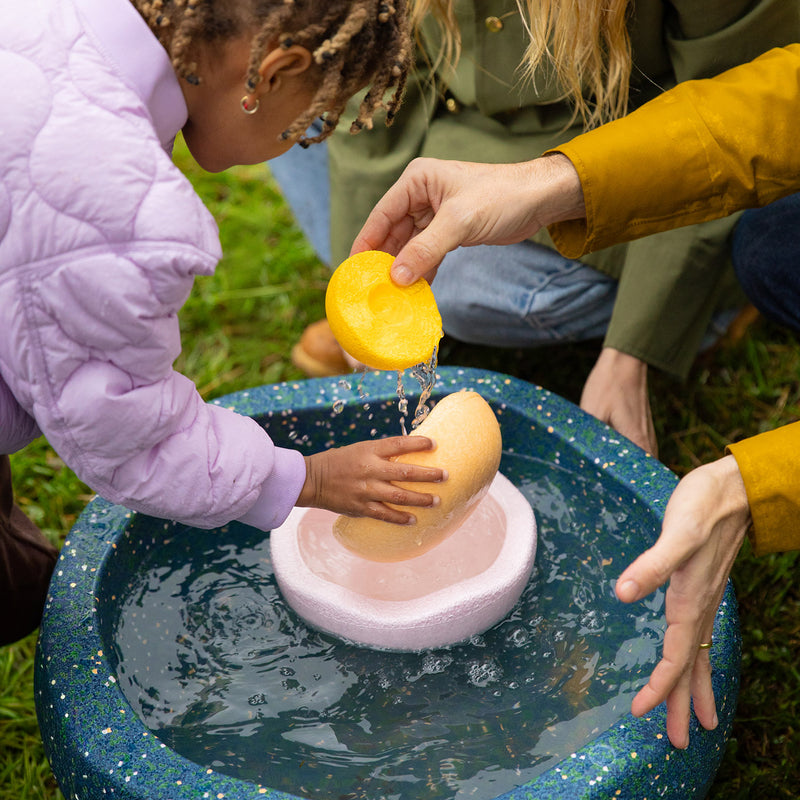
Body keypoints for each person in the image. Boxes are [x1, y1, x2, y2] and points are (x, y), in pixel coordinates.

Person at [351, 42, 800, 750]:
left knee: (760, 249)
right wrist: (554, 184)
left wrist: (751, 486)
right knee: (776, 246)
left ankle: (709, 304)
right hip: (507, 139)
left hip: (573, 140)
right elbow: (778, 98)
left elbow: (720, 61)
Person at [0, 0, 454, 647]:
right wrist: (311, 478)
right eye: (314, 116)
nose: (303, 137)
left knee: (23, 583)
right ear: (274, 71)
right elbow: (131, 438)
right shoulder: (114, 206)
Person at [274, 0, 799, 458]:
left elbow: (735, 130)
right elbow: (379, 75)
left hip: (624, 156)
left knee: (467, 289)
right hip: (447, 133)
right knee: (288, 96)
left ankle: (709, 303)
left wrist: (632, 352)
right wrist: (363, 283)